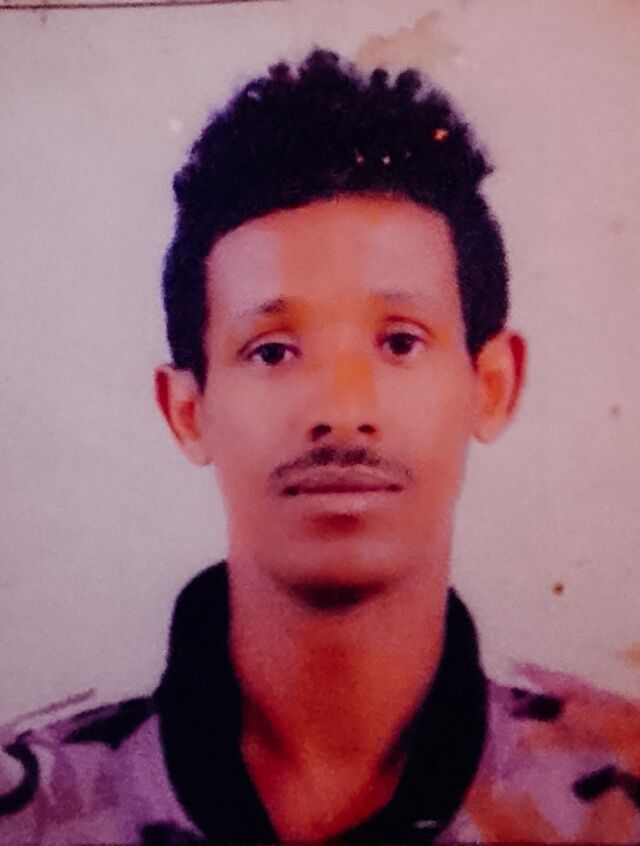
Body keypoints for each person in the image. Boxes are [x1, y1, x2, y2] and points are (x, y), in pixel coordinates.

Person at [1, 49, 639, 845]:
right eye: (272, 350)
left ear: (492, 383)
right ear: (187, 410)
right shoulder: (26, 816)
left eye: (400, 342)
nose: (341, 411)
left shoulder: (621, 796)